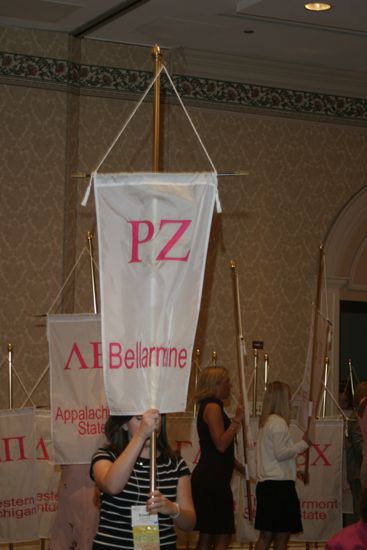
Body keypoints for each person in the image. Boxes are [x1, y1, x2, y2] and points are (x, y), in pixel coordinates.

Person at [90, 408, 196, 549]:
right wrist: (141, 435)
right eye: (140, 418)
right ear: (124, 424)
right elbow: (111, 486)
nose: (151, 423)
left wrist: (172, 509)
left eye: (156, 418)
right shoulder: (107, 457)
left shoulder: (175, 464)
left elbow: (190, 523)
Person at [191, 366, 245, 550]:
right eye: (226, 381)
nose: (230, 385)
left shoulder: (209, 406)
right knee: (222, 534)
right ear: (215, 384)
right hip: (212, 481)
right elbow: (221, 444)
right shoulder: (213, 407)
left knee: (207, 534)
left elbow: (214, 448)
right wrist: (237, 420)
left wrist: (237, 465)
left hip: (211, 478)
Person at [254, 381, 311, 550]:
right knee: (280, 539)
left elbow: (274, 456)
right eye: (288, 396)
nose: (290, 400)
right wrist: (304, 444)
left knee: (266, 536)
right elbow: (280, 454)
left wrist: (297, 471)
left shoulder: (266, 423)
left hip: (268, 486)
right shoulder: (278, 423)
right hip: (279, 488)